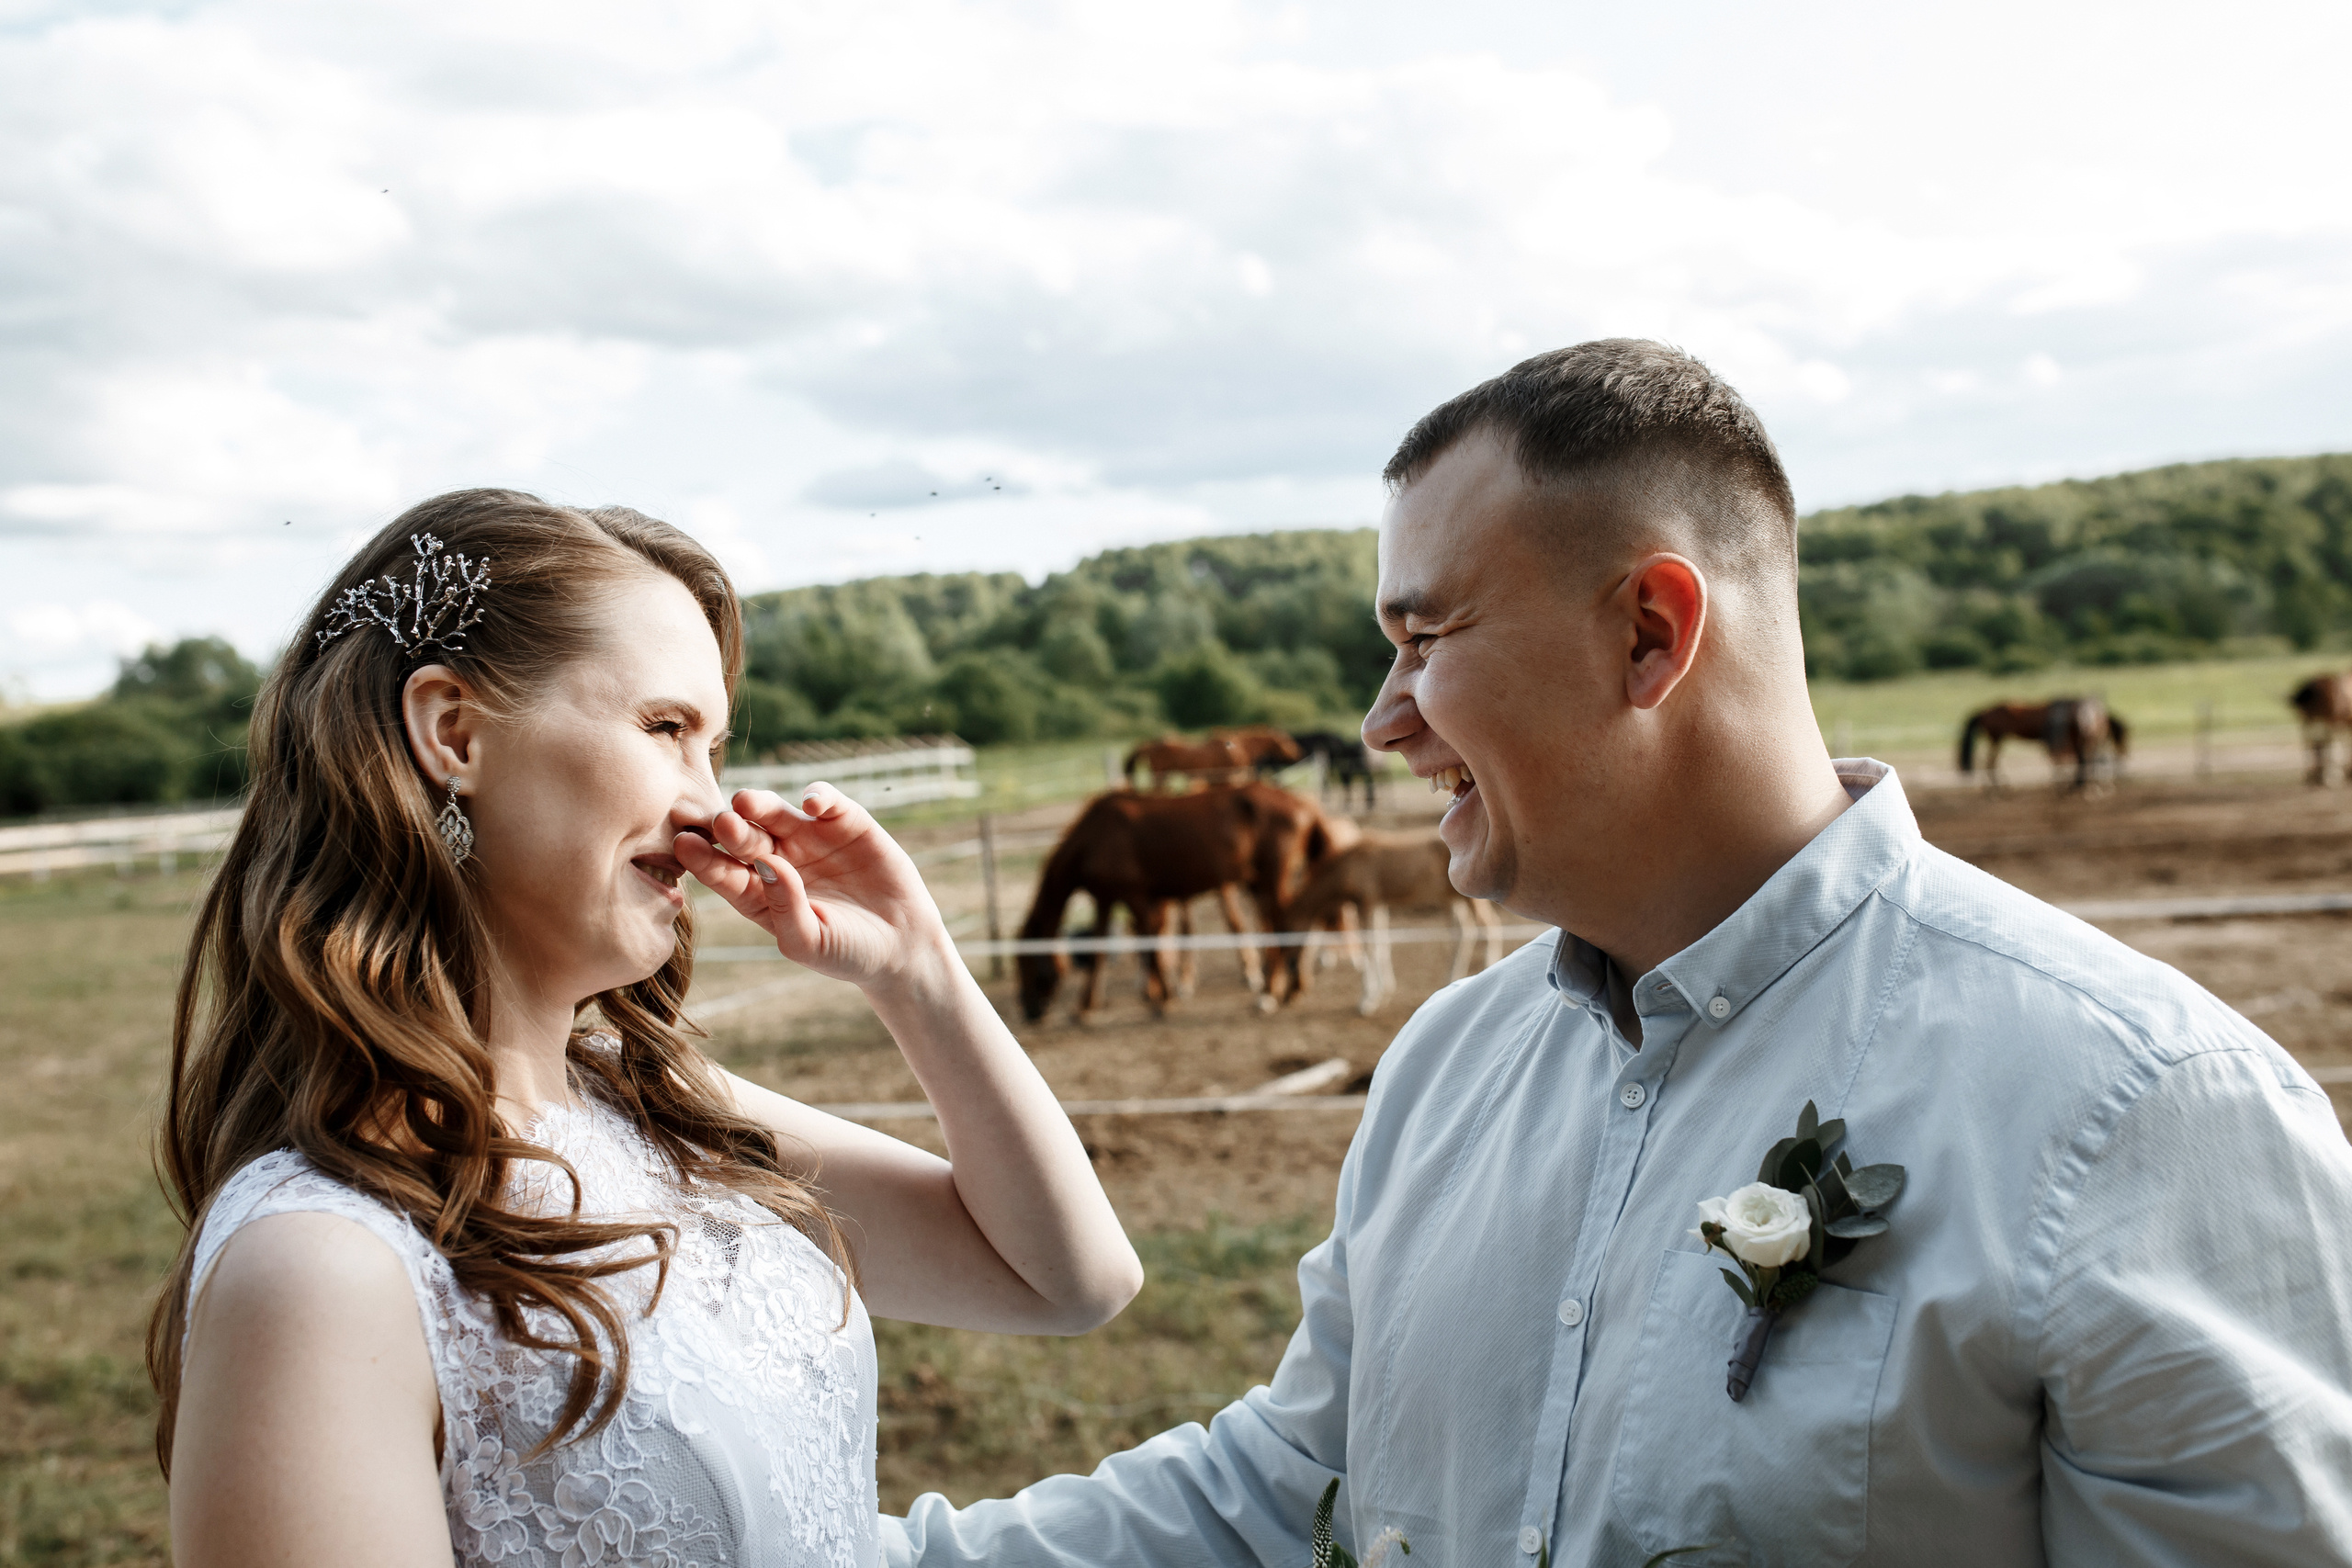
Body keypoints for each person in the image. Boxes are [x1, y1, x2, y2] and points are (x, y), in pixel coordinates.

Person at [887, 342, 2352, 1566]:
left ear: (1650, 634)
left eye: (1423, 634)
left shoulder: (2142, 1106)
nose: (1385, 719)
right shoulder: (1443, 1068)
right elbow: (1288, 1486)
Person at [151, 490, 1142, 1568]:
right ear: (454, 733)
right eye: (666, 730)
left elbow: (1065, 1281)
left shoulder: (641, 1101)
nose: (715, 811)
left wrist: (918, 973)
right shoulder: (318, 1264)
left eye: (712, 746)